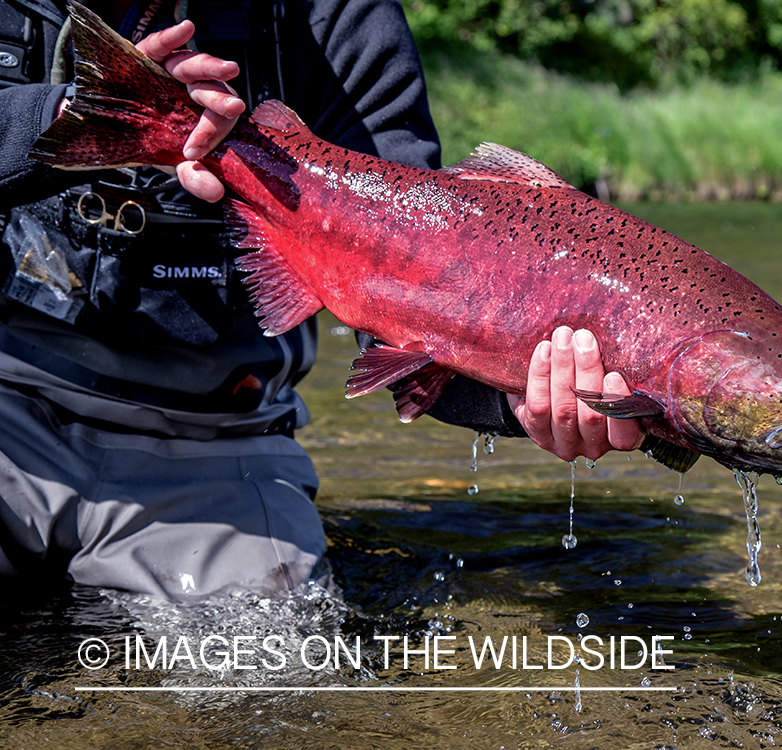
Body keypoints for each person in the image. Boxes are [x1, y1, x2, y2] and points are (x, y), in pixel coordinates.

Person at [0, 0, 640, 600]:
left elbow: (411, 298)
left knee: (269, 676)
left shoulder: (337, 17)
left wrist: (514, 396)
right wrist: (69, 114)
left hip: (217, 442)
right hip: (9, 413)